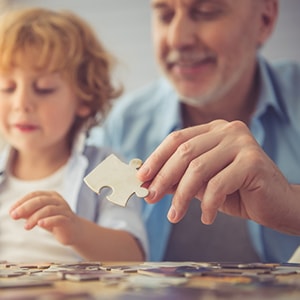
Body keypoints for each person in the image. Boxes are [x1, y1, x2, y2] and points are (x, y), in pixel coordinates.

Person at [94, 0, 300, 262]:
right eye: (165, 16)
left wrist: (290, 204)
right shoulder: (124, 123)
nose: (178, 39)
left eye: (206, 12)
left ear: (265, 20)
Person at [0, 7, 148, 263]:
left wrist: (77, 230)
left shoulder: (107, 168)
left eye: (44, 89)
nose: (21, 103)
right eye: (7, 87)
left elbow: (133, 257)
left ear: (84, 98)